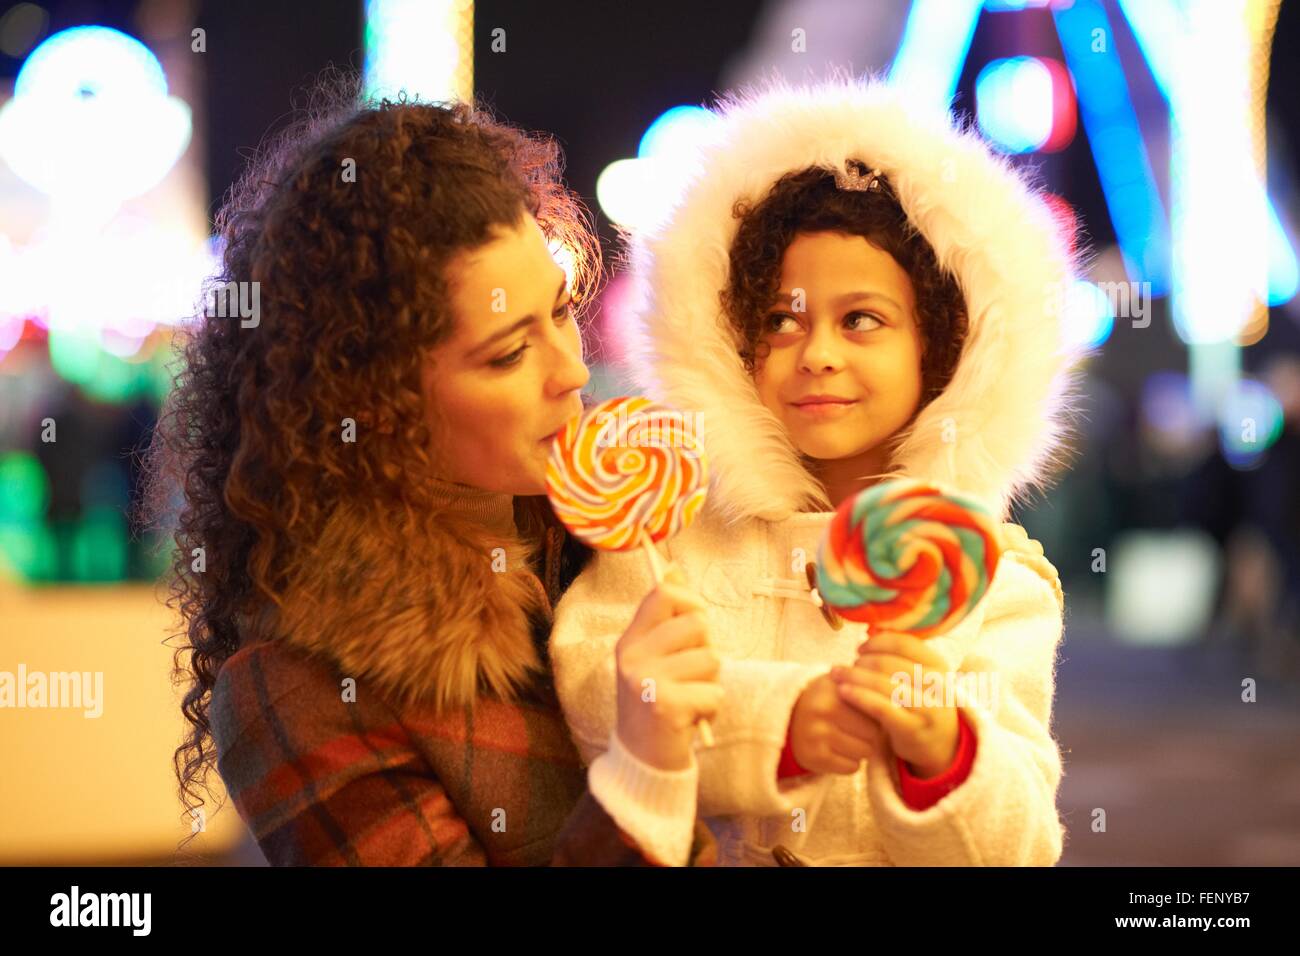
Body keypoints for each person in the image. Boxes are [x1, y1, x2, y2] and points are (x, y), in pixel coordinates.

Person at [148, 78, 721, 866]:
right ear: (379, 404)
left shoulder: (626, 535)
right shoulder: (296, 691)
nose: (571, 373)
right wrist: (644, 778)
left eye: (559, 312)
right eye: (508, 352)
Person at [550, 76, 1085, 866]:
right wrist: (781, 726)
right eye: (780, 319)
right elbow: (594, 700)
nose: (818, 353)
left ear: (939, 345)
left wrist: (943, 750)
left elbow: (1020, 844)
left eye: (862, 320)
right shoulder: (667, 535)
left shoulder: (991, 583)